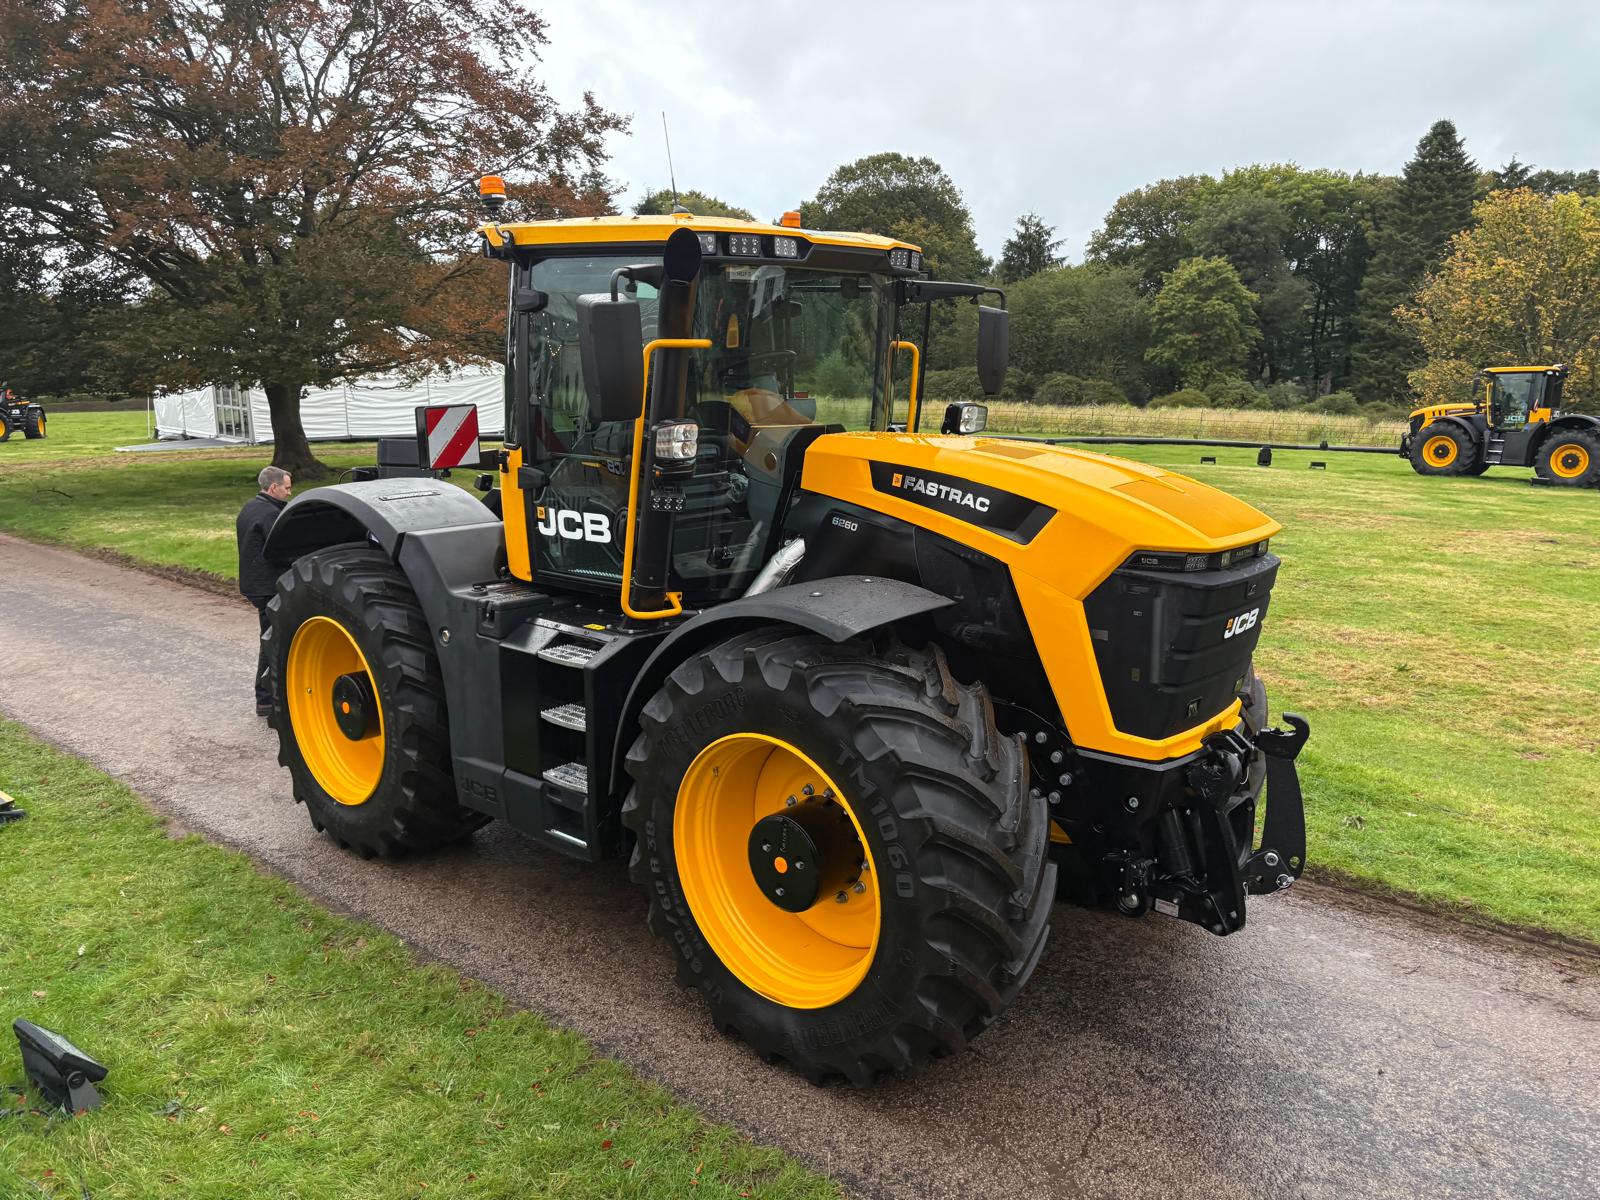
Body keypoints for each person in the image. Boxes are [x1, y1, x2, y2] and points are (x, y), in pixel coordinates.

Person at [237, 466, 292, 715]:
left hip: (254, 584)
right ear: (273, 488)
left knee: (270, 637)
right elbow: (279, 550)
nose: (290, 493)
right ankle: (266, 698)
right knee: (272, 640)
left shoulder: (249, 508)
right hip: (268, 586)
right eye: (287, 488)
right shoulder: (270, 513)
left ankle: (269, 696)